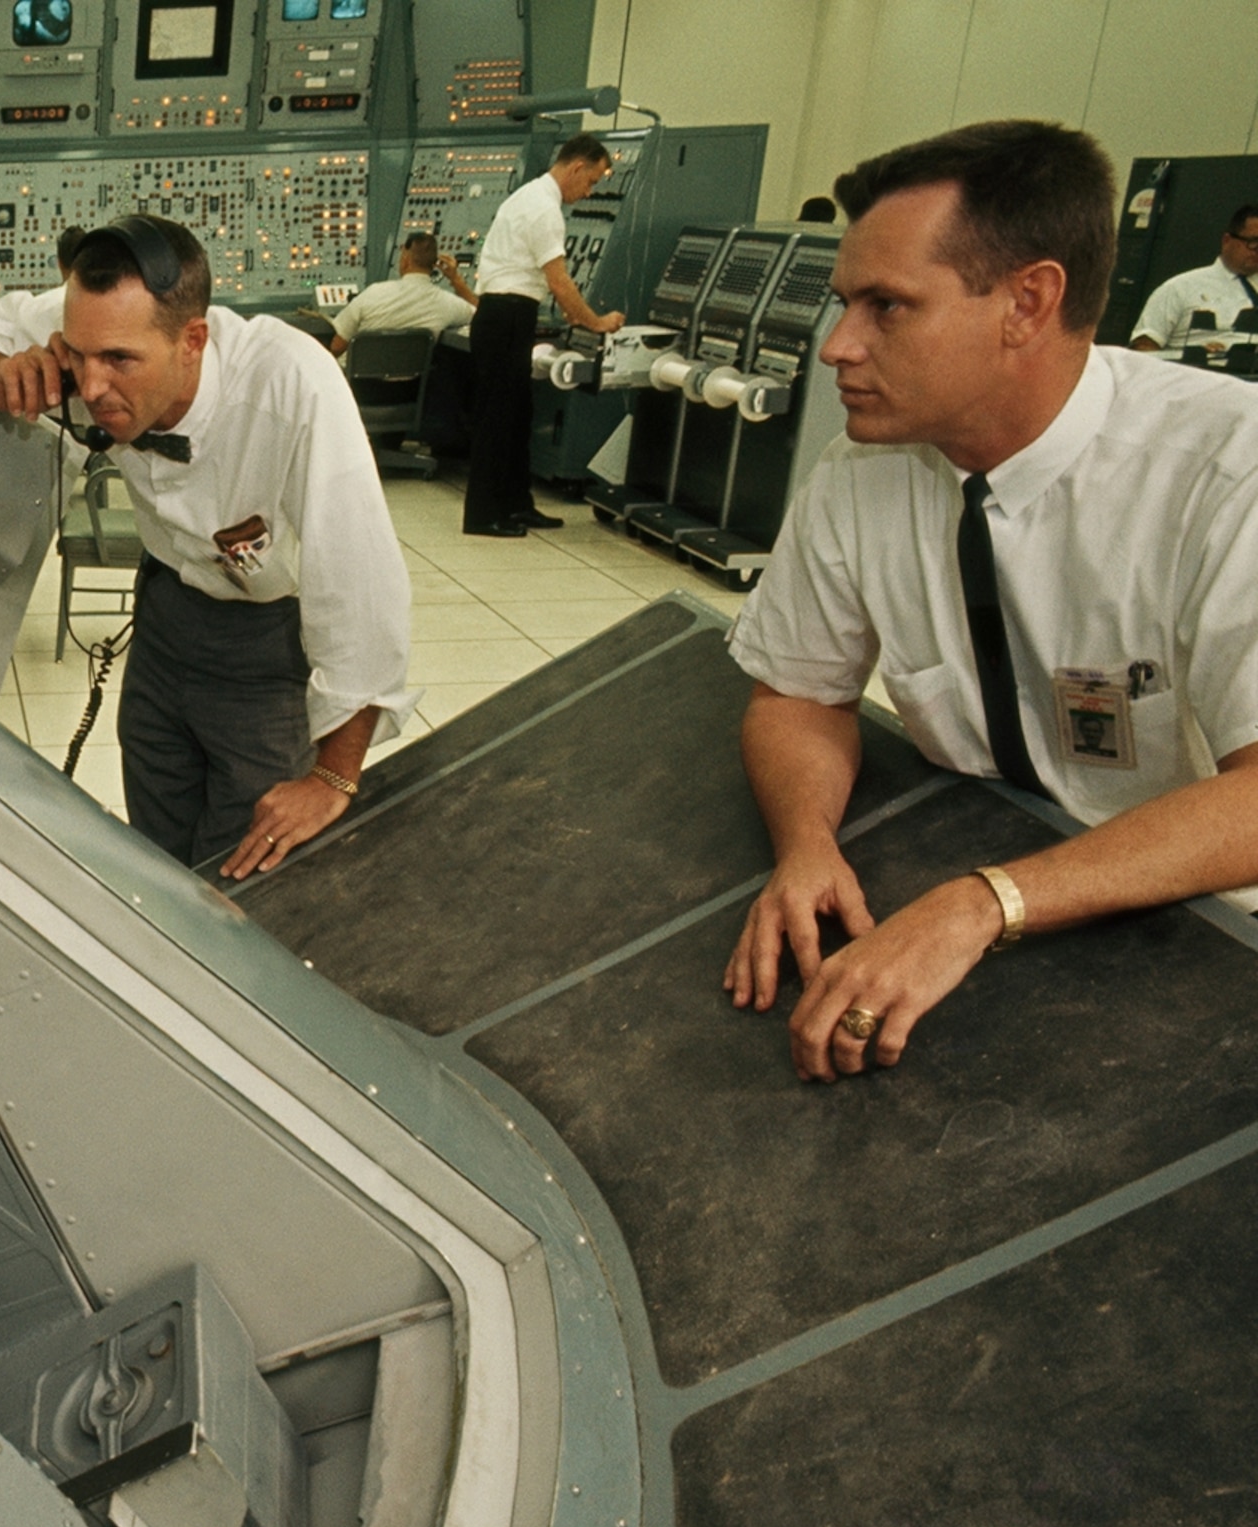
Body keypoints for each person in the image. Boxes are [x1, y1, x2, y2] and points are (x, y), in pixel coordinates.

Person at [719, 120, 1258, 1082]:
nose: (838, 346)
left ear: (1028, 303)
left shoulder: (1226, 473)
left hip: (1204, 928)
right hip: (987, 857)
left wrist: (984, 905)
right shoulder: (860, 475)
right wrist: (806, 845)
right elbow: (797, 692)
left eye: (888, 306)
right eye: (845, 303)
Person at [0, 214, 415, 880]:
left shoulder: (292, 386)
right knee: (158, 855)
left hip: (268, 647)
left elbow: (361, 590)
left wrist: (332, 777)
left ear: (193, 341)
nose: (91, 388)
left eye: (119, 361)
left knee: (242, 879)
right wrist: (1, 374)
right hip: (164, 618)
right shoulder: (99, 321)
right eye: (78, 355)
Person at [465, 134, 628, 538]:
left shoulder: (530, 197)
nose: (588, 191)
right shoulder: (543, 210)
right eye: (590, 181)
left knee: (517, 416)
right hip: (507, 316)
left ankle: (517, 505)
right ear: (576, 168)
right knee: (497, 420)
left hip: (503, 315)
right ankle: (483, 516)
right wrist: (596, 321)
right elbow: (560, 284)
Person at [1128, 202, 1258, 351]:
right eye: (1254, 242)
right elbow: (1143, 345)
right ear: (1227, 240)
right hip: (1197, 369)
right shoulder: (1180, 288)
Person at [329, 231, 476, 355]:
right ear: (434, 266)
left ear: (405, 260)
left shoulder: (374, 293)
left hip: (359, 386)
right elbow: (481, 314)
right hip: (412, 387)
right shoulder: (447, 303)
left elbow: (336, 346)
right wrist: (456, 279)